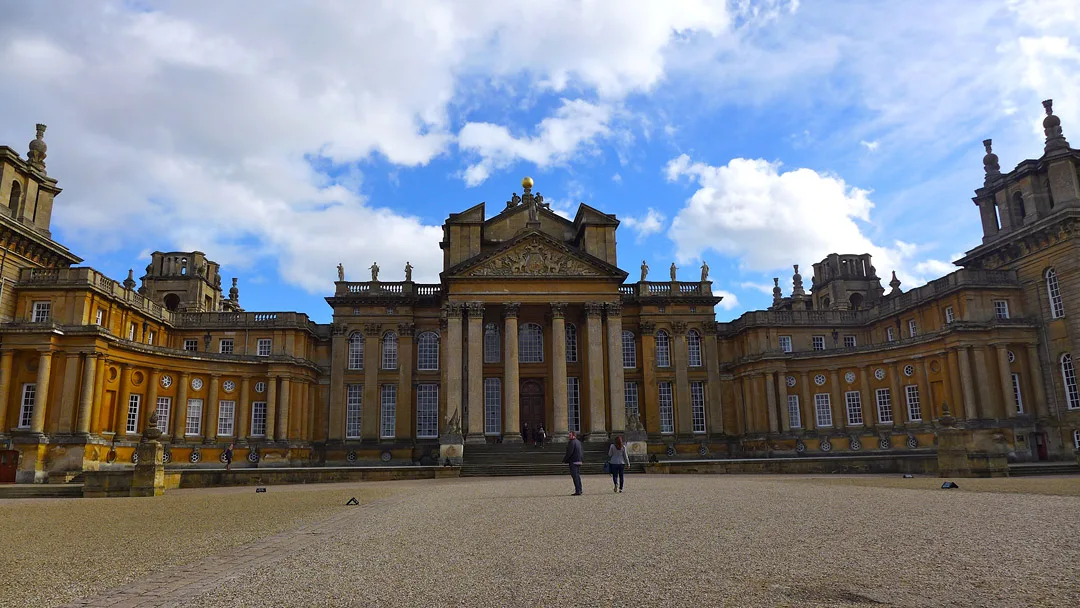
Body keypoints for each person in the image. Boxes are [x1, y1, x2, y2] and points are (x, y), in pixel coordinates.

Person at [563, 431, 584, 495]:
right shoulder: (578, 442)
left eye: (570, 435)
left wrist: (565, 460)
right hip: (579, 461)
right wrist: (581, 459)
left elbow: (569, 452)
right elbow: (582, 451)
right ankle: (580, 489)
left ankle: (578, 491)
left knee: (575, 477)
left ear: (573, 435)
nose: (568, 436)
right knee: (577, 476)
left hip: (573, 461)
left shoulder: (571, 442)